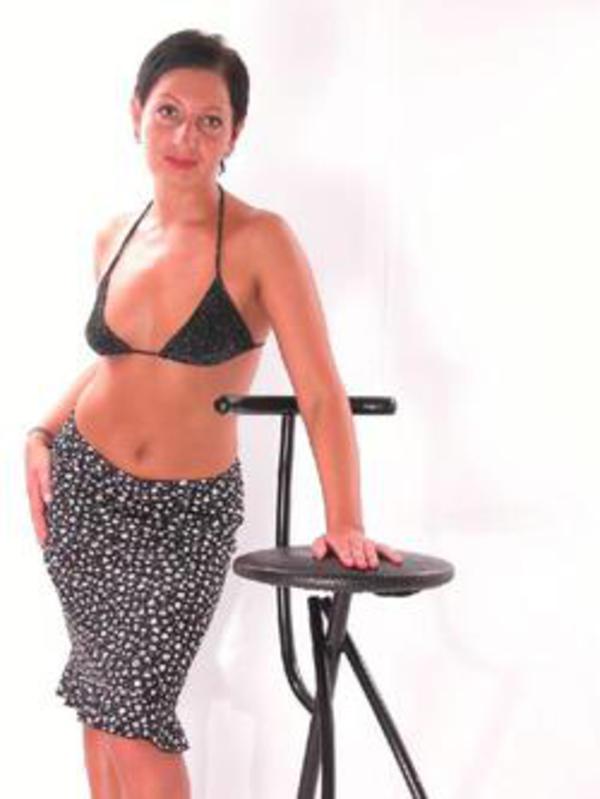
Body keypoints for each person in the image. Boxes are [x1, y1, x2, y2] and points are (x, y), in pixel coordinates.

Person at [24, 28, 404, 799]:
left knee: (136, 722)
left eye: (209, 121)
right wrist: (42, 430)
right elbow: (119, 361)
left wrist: (346, 518)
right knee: (101, 710)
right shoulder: (114, 236)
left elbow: (320, 389)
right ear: (136, 112)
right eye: (168, 112)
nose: (185, 137)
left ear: (235, 133)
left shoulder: (262, 241)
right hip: (85, 497)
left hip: (183, 516)